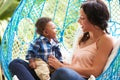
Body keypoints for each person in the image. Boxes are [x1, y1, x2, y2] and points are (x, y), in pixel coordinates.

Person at [48, 0, 114, 80]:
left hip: (82, 78)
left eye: (82, 18)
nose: (78, 21)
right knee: (28, 66)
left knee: (62, 72)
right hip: (68, 75)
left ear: (94, 20)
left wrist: (62, 66)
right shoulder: (84, 37)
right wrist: (57, 62)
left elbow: (95, 71)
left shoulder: (105, 40)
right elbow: (75, 66)